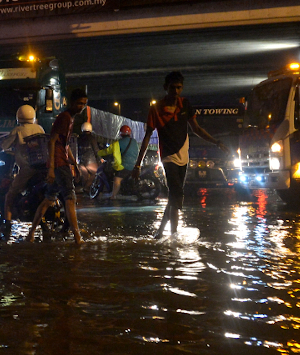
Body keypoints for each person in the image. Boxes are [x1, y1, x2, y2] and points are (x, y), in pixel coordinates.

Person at [133, 71, 228, 236]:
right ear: (165, 88)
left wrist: (217, 142)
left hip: (184, 156)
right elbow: (147, 136)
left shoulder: (185, 104)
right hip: (168, 156)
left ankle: (160, 232)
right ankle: (174, 234)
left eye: (179, 88)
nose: (176, 91)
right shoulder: (156, 109)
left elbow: (196, 129)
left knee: (174, 196)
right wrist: (138, 164)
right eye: (172, 88)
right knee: (177, 193)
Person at [28, 88, 87, 244]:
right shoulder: (65, 117)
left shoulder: (70, 118)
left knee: (48, 199)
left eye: (84, 104)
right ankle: (77, 238)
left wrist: (74, 163)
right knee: (70, 198)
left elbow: (64, 145)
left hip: (62, 162)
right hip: (59, 164)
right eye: (79, 103)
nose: (81, 107)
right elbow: (52, 141)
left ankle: (31, 233)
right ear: (72, 102)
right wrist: (52, 168)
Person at [0, 104, 47, 223]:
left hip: (27, 169)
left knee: (10, 195)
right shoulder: (39, 128)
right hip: (43, 167)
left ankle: (7, 224)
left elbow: (4, 146)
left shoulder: (18, 130)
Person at [97, 125, 139, 199]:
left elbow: (107, 151)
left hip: (125, 165)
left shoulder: (118, 143)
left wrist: (98, 153)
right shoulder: (134, 141)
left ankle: (113, 196)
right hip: (135, 165)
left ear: (121, 134)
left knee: (117, 179)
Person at [76, 121, 102, 193]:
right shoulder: (92, 138)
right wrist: (100, 159)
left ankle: (86, 191)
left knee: (85, 176)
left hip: (81, 161)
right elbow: (96, 150)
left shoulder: (79, 138)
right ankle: (86, 187)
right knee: (97, 173)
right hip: (91, 162)